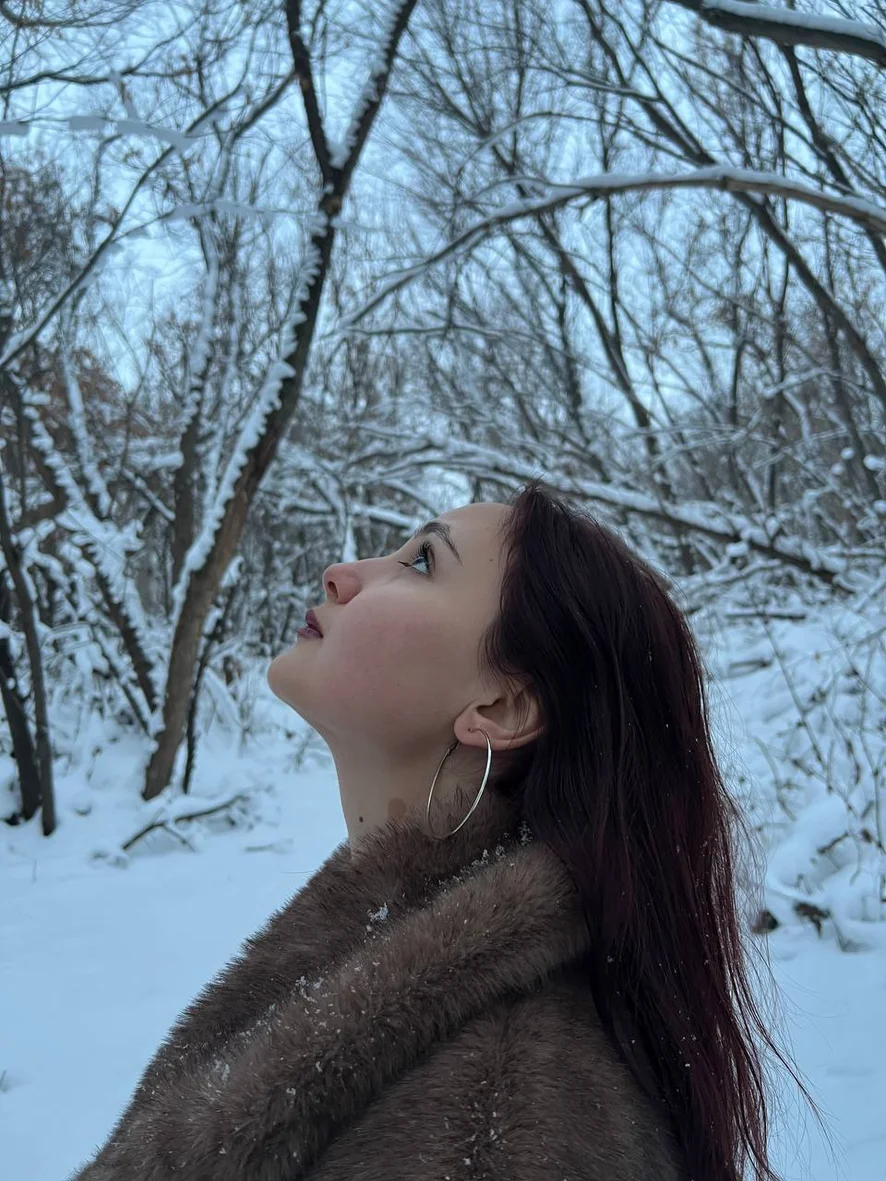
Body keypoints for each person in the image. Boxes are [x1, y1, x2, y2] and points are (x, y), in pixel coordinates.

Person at [70, 480, 801, 1181]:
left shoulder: (493, 1123)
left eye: (420, 562)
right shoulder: (390, 951)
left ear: (502, 708)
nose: (341, 574)